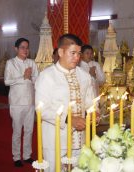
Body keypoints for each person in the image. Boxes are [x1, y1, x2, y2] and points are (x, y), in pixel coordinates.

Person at [35, 34, 95, 172]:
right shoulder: (47, 76)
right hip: (56, 141)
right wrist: (69, 119)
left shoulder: (84, 76)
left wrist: (94, 112)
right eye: (72, 53)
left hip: (81, 140)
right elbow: (41, 110)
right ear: (61, 52)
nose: (77, 57)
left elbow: (90, 102)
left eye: (79, 53)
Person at [4, 38, 39, 167]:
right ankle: (16, 157)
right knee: (17, 130)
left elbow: (37, 80)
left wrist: (31, 77)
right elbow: (7, 81)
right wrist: (23, 77)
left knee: (29, 130)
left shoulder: (32, 62)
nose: (26, 50)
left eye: (27, 47)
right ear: (16, 49)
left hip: (30, 101)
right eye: (23, 47)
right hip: (17, 102)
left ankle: (27, 155)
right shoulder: (11, 63)